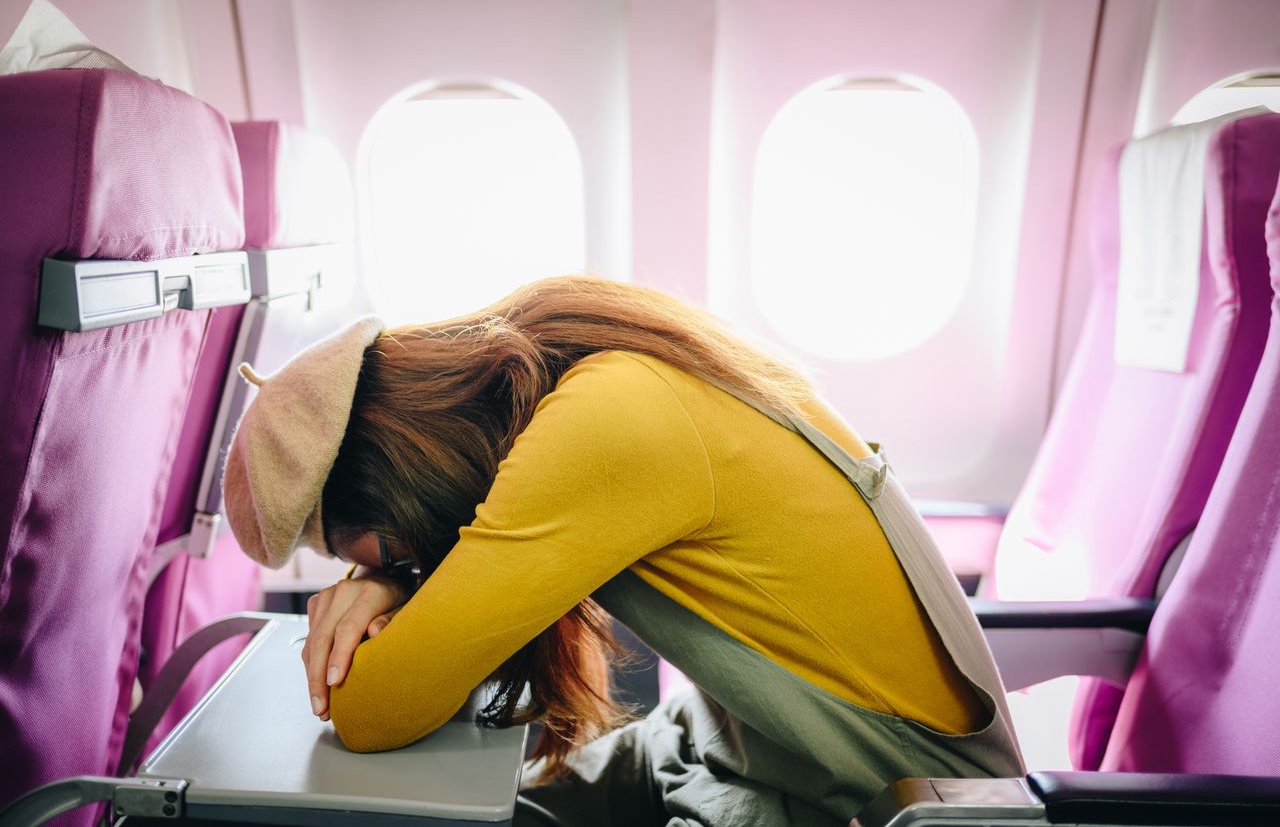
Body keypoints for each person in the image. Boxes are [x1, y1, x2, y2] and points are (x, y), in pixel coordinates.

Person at [222, 276, 1023, 827]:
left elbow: (370, 714)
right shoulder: (581, 362)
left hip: (880, 795)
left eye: (372, 546)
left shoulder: (608, 426)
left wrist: (392, 588)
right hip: (738, 741)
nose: (378, 565)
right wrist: (394, 580)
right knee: (517, 805)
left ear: (396, 484)